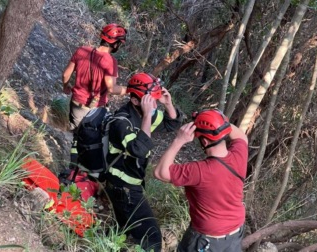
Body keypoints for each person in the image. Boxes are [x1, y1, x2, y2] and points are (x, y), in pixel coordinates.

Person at [104, 72, 183, 251]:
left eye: (154, 99)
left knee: (121, 230)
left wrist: (168, 103)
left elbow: (172, 124)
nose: (153, 104)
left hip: (131, 185)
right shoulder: (121, 121)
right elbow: (138, 149)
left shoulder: (145, 115)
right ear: (134, 100)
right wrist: (148, 115)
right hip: (122, 187)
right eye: (150, 100)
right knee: (152, 238)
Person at [154, 109, 248, 252]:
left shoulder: (198, 171)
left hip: (206, 239)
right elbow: (241, 137)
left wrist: (179, 140)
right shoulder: (239, 155)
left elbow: (160, 172)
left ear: (204, 141)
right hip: (235, 234)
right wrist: (219, 121)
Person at [62, 23, 128, 167]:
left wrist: (66, 86)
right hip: (94, 109)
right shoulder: (110, 61)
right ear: (115, 44)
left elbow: (66, 74)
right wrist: (129, 89)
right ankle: (80, 171)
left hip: (76, 103)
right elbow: (111, 88)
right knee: (91, 142)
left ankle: (70, 166)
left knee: (76, 135)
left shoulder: (81, 51)